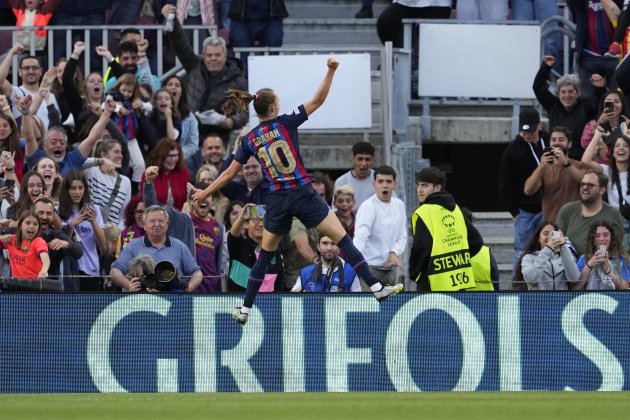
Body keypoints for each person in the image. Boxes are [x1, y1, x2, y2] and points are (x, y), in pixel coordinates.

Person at [192, 57, 403, 324]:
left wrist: (205, 192)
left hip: (277, 200)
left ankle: (245, 308)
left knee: (265, 254)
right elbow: (318, 100)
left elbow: (229, 173)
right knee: (343, 240)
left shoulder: (250, 138)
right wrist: (331, 70)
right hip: (302, 193)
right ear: (275, 106)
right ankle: (376, 288)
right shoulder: (285, 122)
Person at [162, 3, 248, 141]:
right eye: (209, 55)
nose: (213, 59)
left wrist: (230, 121)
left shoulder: (238, 79)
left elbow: (243, 113)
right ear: (204, 56)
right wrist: (172, 19)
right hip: (190, 129)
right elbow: (180, 44)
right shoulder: (195, 65)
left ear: (225, 56)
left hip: (218, 133)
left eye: (217, 55)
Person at [409, 166, 484, 291]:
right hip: (459, 281)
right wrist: (458, 261)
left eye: (425, 185)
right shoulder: (456, 210)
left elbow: (421, 247)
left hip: (432, 283)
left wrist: (415, 273)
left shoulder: (424, 212)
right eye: (418, 185)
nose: (419, 190)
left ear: (437, 188)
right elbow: (476, 242)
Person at [109, 204, 203, 292]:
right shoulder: (132, 246)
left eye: (161, 221)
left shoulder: (180, 246)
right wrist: (128, 285)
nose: (157, 224)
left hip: (174, 301)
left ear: (167, 224)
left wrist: (188, 288)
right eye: (152, 221)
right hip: (142, 301)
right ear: (144, 225)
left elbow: (197, 273)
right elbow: (114, 271)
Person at [533, 55, 605, 159]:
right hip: (556, 158)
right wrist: (546, 67)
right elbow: (538, 87)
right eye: (563, 92)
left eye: (571, 91)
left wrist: (600, 88)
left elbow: (601, 105)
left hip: (582, 159)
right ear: (559, 94)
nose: (567, 96)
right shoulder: (553, 105)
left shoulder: (586, 105)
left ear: (578, 93)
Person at [498, 108, 545, 269]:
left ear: (539, 126)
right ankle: (517, 287)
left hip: (548, 207)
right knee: (522, 252)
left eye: (531, 131)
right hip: (525, 212)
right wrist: (514, 213)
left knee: (550, 249)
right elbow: (505, 184)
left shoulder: (549, 140)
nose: (527, 135)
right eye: (524, 132)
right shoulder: (512, 150)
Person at [23, 97, 115, 175]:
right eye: (53, 142)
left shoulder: (73, 160)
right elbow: (29, 138)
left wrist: (107, 113)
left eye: (62, 143)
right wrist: (25, 113)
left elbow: (92, 138)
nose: (58, 145)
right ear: (45, 146)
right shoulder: (37, 158)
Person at [353, 165, 407, 286]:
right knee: (369, 305)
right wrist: (354, 262)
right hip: (369, 268)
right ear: (374, 184)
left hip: (392, 267)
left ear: (395, 184)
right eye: (380, 181)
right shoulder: (368, 206)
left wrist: (394, 252)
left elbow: (402, 236)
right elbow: (360, 237)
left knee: (396, 304)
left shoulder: (399, 205)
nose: (384, 185)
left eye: (388, 181)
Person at [523, 126, 588, 221]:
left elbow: (586, 182)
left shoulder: (579, 165)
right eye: (553, 140)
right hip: (553, 225)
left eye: (561, 140)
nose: (557, 143)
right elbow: (528, 190)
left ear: (569, 144)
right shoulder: (544, 168)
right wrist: (540, 167)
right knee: (555, 236)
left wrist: (566, 163)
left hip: (575, 224)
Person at [556, 170, 625, 256]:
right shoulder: (567, 209)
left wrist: (591, 263)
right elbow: (555, 239)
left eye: (590, 185)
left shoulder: (613, 215)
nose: (585, 188)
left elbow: (614, 249)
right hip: (568, 264)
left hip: (599, 265)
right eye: (583, 184)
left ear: (602, 190)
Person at [58, 170, 106, 291]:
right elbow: (61, 244)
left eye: (81, 188)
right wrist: (72, 224)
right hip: (68, 271)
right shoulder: (57, 210)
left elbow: (103, 245)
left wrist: (93, 221)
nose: (77, 192)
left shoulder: (95, 209)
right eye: (73, 188)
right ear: (66, 190)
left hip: (90, 270)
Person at [567, 0, 621, 96]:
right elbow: (572, 3)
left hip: (615, 57)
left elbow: (620, 13)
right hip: (588, 57)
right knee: (588, 101)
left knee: (617, 99)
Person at [0, 44, 61, 128]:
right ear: (19, 72)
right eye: (26, 68)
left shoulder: (50, 96)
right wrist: (11, 53)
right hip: (25, 139)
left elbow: (57, 122)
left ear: (40, 71)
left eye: (34, 68)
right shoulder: (16, 92)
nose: (31, 71)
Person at [226, 202, 284, 292]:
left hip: (267, 304)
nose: (260, 224)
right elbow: (232, 236)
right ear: (246, 224)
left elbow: (279, 284)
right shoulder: (239, 246)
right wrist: (241, 218)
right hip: (239, 303)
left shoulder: (275, 252)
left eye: (264, 220)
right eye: (256, 219)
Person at [32, 196, 83, 291]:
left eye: (49, 213)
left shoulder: (56, 235)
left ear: (53, 216)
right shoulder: (21, 233)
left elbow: (79, 252)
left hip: (49, 294)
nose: (44, 216)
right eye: (40, 212)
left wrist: (67, 244)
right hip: (24, 292)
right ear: (32, 213)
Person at [514, 220, 580, 291]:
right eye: (545, 234)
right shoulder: (529, 257)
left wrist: (563, 245)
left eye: (552, 235)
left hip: (562, 301)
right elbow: (530, 278)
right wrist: (548, 249)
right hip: (538, 301)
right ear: (538, 238)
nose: (549, 238)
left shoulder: (563, 257)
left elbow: (574, 278)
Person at [83, 138, 132, 228]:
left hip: (111, 234)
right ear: (104, 155)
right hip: (88, 228)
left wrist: (118, 233)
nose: (121, 156)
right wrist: (101, 161)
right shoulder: (91, 172)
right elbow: (78, 162)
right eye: (116, 152)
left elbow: (124, 214)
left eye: (121, 152)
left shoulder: (126, 182)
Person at [292, 234, 361, 293]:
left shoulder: (350, 271)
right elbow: (291, 300)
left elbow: (358, 302)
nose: (329, 248)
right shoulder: (306, 272)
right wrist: (305, 293)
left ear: (339, 248)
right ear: (318, 247)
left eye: (333, 243)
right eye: (325, 243)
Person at [575, 220, 630, 290]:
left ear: (611, 238)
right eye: (597, 236)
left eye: (605, 235)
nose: (601, 239)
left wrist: (607, 269)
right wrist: (589, 265)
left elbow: (624, 287)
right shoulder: (584, 259)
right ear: (593, 239)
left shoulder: (622, 260)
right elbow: (576, 288)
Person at [376, 0, 452, 48]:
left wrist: (454, 6)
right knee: (385, 23)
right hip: (406, 2)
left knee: (429, 35)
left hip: (438, 4)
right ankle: (399, 59)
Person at [0, 209, 49, 282]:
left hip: (35, 286)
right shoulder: (11, 239)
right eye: (28, 223)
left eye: (35, 224)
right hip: (16, 286)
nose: (32, 226)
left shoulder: (38, 241)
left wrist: (44, 270)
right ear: (20, 226)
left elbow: (45, 258)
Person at [140, 140, 190, 211]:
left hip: (179, 217)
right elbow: (145, 201)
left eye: (176, 155)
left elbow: (186, 201)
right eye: (170, 156)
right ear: (161, 156)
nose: (173, 159)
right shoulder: (149, 174)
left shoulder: (183, 173)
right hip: (155, 217)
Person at [162, 75, 199, 161]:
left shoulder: (190, 117)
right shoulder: (153, 112)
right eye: (170, 84)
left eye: (177, 85)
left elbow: (193, 145)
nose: (173, 87)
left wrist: (175, 155)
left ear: (182, 92)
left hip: (179, 161)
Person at [334, 141, 376, 210]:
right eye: (360, 159)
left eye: (367, 159)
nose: (363, 163)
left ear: (372, 160)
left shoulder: (379, 180)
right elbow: (336, 210)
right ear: (353, 158)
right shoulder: (342, 182)